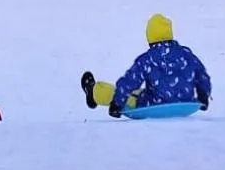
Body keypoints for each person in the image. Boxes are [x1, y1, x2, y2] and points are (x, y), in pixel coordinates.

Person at [81, 14, 211, 117]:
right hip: (184, 102)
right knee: (140, 92)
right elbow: (202, 75)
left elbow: (130, 81)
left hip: (154, 104)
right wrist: (203, 96)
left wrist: (117, 103)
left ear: (150, 36)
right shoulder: (186, 54)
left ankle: (94, 92)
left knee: (127, 95)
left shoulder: (148, 59)